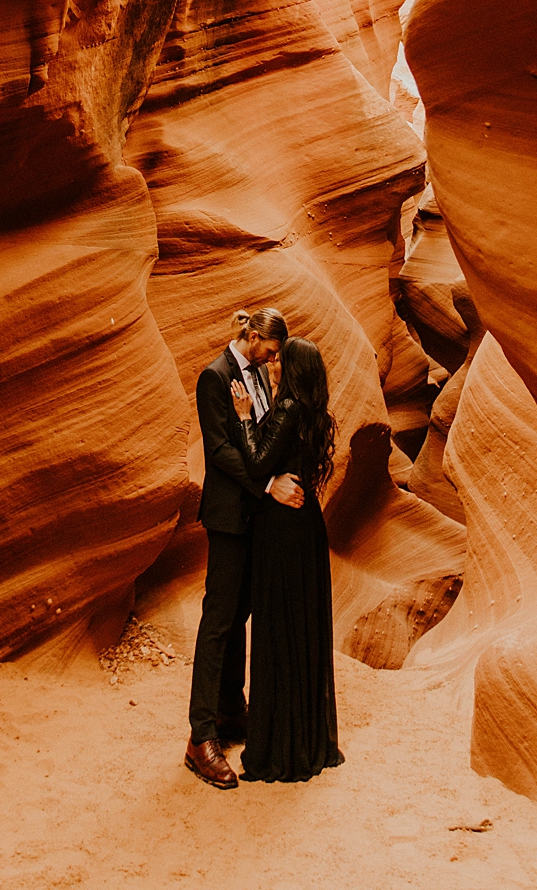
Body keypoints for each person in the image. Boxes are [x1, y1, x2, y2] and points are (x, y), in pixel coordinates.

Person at [184, 308, 304, 789]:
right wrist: (269, 483)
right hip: (230, 517)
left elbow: (258, 434)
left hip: (254, 518)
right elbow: (221, 453)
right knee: (218, 621)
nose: (274, 359)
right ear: (252, 337)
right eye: (271, 350)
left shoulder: (256, 376)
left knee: (240, 616)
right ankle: (200, 737)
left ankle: (232, 711)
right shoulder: (213, 378)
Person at [230, 336, 344, 783]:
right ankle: (307, 737)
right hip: (306, 527)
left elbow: (257, 463)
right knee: (302, 627)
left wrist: (243, 419)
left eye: (281, 358)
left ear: (293, 368)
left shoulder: (288, 408)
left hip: (281, 528)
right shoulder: (314, 412)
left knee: (279, 627)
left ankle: (280, 746)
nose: (273, 362)